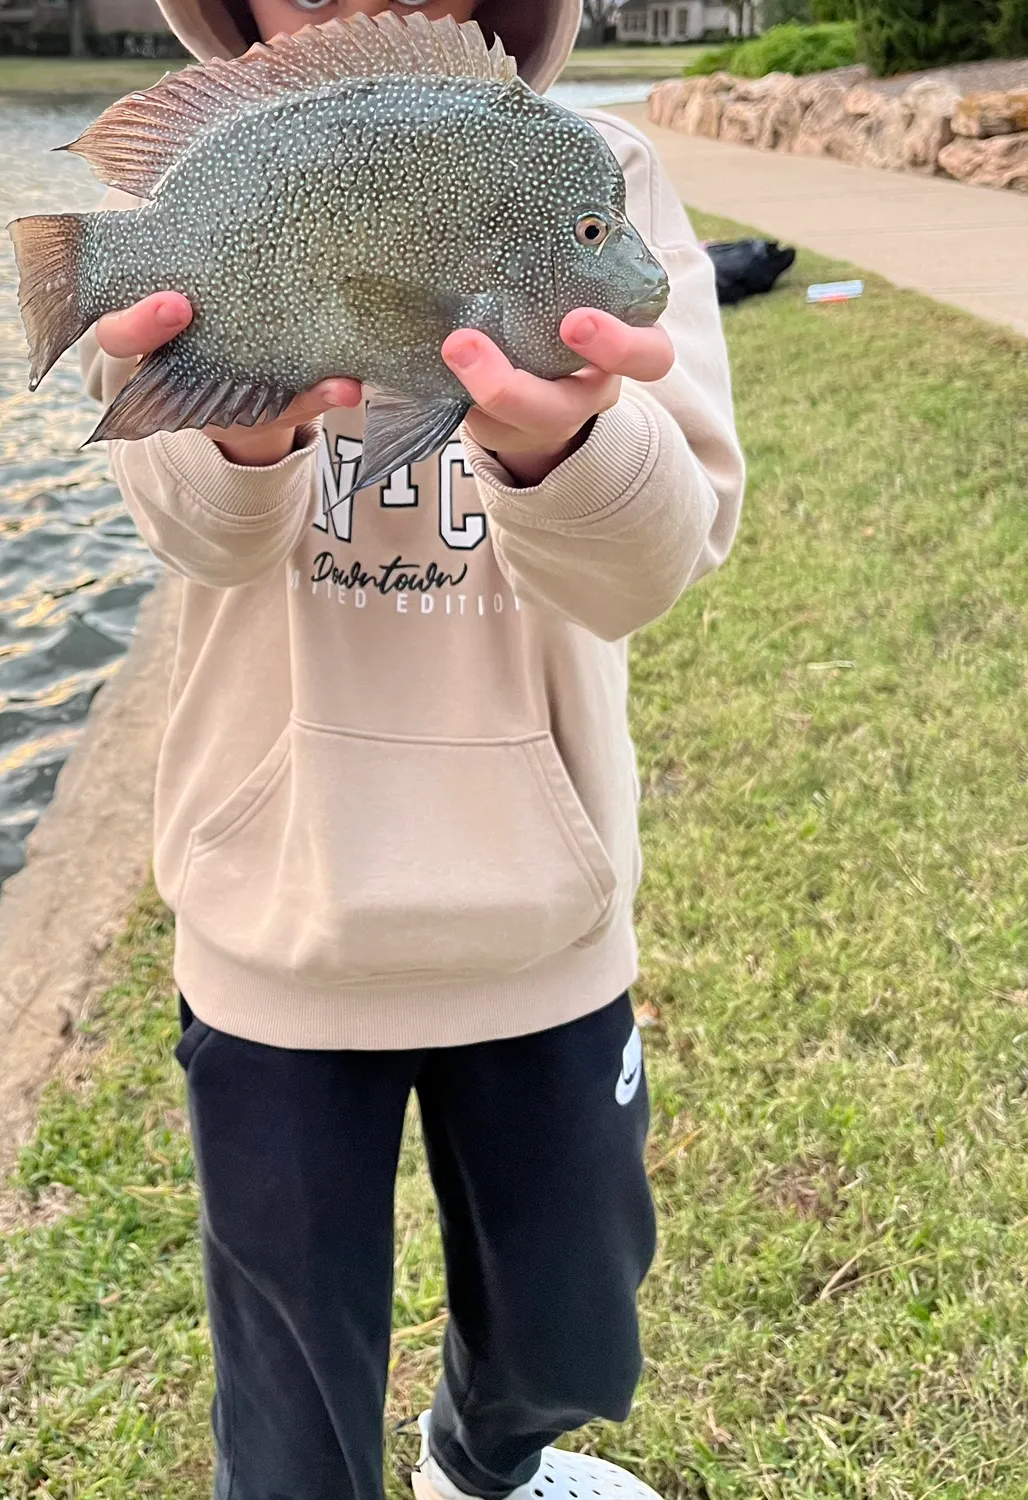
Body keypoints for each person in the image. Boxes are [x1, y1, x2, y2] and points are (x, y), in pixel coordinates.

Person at [79, 0, 745, 1495]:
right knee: (291, 1394)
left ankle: (484, 1459)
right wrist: (239, 429)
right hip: (280, 926)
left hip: (543, 919)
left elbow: (655, 560)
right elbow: (197, 536)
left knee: (572, 1320)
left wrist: (559, 448)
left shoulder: (601, 174)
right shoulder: (215, 187)